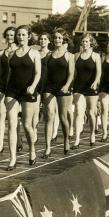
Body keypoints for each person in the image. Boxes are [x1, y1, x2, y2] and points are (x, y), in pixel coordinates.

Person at [5, 25, 41, 170]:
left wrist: (32, 87)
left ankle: (32, 150)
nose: (20, 37)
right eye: (18, 35)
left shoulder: (34, 53)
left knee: (27, 125)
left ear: (29, 36)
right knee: (12, 125)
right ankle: (12, 158)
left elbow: (38, 73)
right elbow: (9, 74)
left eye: (23, 35)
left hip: (28, 91)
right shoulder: (11, 54)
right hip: (12, 91)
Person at [43, 28, 74, 157]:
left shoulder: (69, 55)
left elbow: (71, 74)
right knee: (49, 116)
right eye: (55, 38)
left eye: (60, 38)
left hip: (63, 88)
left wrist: (67, 86)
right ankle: (48, 147)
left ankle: (66, 140)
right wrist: (42, 90)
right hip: (49, 87)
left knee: (62, 117)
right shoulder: (49, 55)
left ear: (64, 40)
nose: (57, 40)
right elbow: (46, 74)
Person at [72, 33, 101, 149]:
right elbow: (74, 73)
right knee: (78, 112)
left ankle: (92, 133)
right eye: (83, 42)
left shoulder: (96, 56)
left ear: (91, 43)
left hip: (91, 86)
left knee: (91, 112)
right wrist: (71, 84)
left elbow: (99, 72)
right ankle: (76, 139)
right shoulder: (76, 56)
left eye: (87, 42)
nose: (85, 44)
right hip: (79, 86)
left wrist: (96, 82)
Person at [0, 26, 17, 156]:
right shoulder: (1, 53)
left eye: (12, 35)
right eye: (7, 35)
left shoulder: (19, 52)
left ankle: (17, 141)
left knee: (14, 117)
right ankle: (0, 145)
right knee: (0, 115)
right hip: (2, 85)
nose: (9, 37)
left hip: (14, 85)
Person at [36, 33, 59, 143]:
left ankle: (54, 132)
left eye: (45, 39)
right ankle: (34, 133)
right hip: (36, 84)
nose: (42, 41)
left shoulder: (51, 54)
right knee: (35, 111)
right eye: (41, 39)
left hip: (47, 84)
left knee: (48, 111)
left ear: (49, 41)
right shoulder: (35, 53)